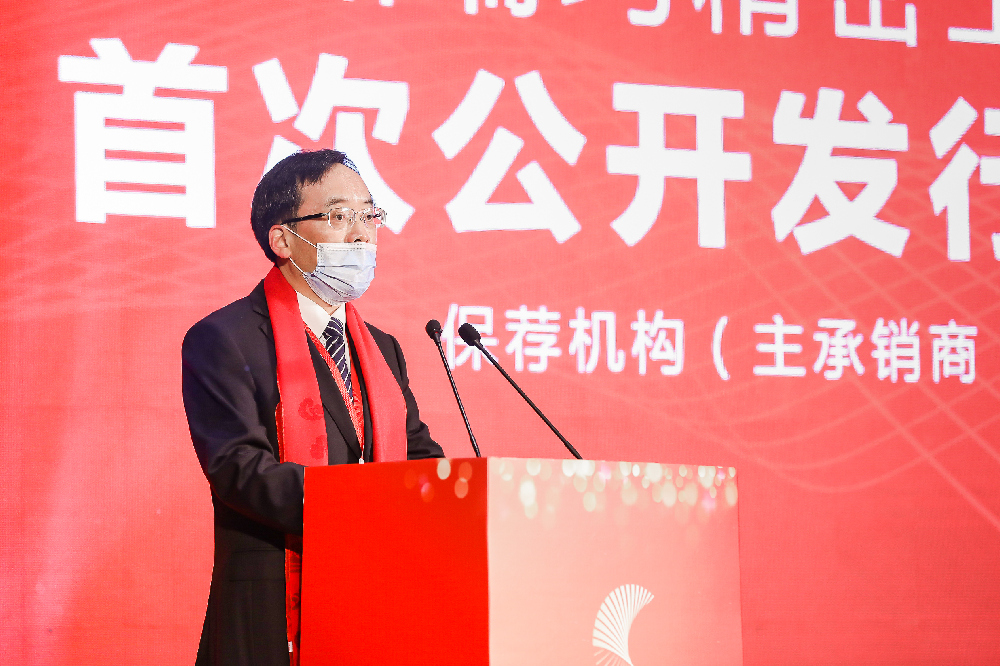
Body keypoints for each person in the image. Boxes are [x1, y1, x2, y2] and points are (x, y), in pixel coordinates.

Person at [182, 149, 443, 666]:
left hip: (375, 603)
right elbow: (239, 469)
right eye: (340, 216)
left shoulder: (383, 348)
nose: (362, 234)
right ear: (283, 240)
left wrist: (451, 497)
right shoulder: (225, 338)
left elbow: (418, 457)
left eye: (370, 215)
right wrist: (365, 506)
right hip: (271, 611)